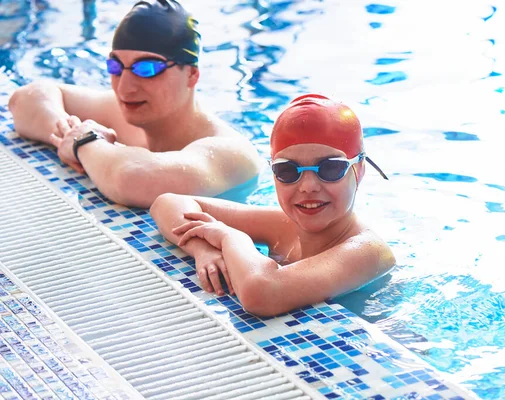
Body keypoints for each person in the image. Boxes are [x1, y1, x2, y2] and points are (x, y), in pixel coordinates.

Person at [150, 94, 396, 317]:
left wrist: (230, 238)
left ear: (359, 170)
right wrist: (203, 249)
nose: (308, 186)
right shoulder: (283, 227)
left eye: (330, 168)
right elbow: (167, 203)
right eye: (288, 170)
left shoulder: (369, 252)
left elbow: (262, 294)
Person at [7, 0, 262, 208]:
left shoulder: (230, 152)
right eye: (115, 66)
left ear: (192, 74)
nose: (125, 87)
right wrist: (69, 134)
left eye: (147, 68)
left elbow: (136, 181)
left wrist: (85, 142)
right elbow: (27, 98)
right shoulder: (126, 110)